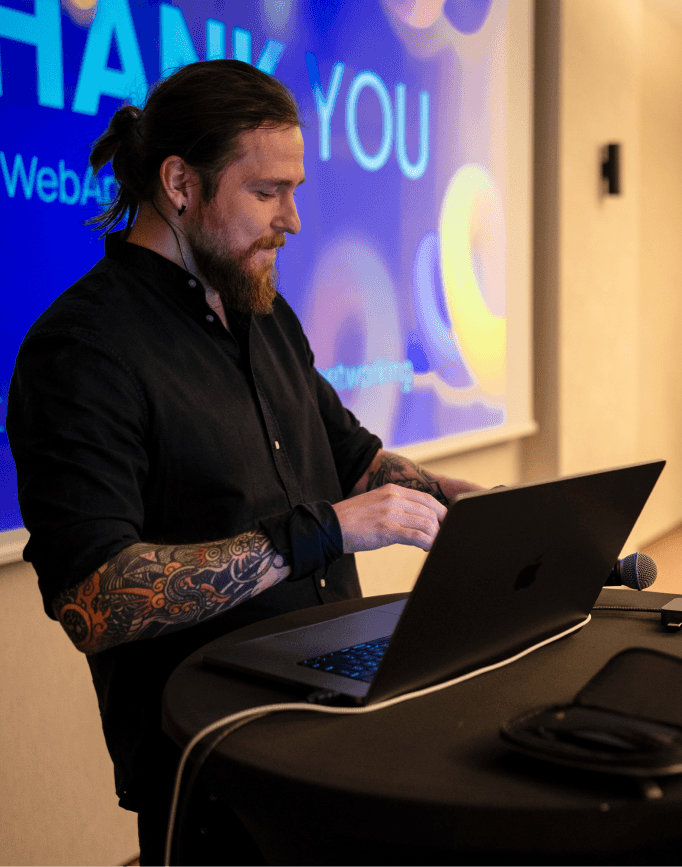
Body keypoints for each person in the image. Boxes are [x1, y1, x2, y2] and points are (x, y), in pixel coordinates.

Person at [5, 61, 478, 865]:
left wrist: (465, 504)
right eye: (267, 192)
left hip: (338, 713)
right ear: (180, 183)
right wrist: (316, 534)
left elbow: (354, 462)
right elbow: (94, 600)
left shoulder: (265, 309)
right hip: (217, 757)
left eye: (295, 189)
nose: (293, 218)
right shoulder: (82, 349)